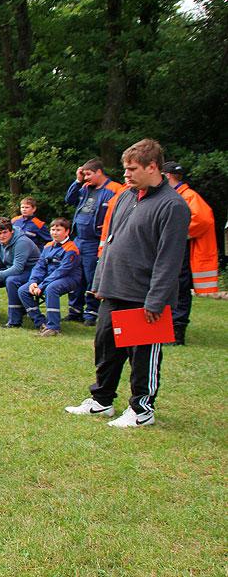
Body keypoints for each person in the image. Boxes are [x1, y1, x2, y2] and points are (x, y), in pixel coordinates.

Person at [66, 139, 190, 428]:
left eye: (132, 169)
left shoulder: (172, 206)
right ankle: (102, 401)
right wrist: (99, 281)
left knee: (141, 354)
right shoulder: (126, 196)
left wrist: (156, 301)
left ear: (153, 167)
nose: (126, 174)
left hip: (143, 295)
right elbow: (110, 241)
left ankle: (141, 410)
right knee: (105, 346)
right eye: (125, 169)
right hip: (114, 288)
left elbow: (169, 259)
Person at [162, 161, 219, 345]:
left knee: (179, 288)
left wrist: (176, 234)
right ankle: (169, 328)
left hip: (182, 251)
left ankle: (177, 332)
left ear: (167, 176)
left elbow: (203, 220)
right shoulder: (178, 195)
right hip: (174, 250)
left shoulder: (188, 196)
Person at [64, 158, 122, 326]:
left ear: (99, 172)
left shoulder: (114, 189)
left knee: (91, 276)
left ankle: (91, 313)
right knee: (76, 275)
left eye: (89, 174)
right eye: (84, 174)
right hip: (79, 239)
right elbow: (70, 199)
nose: (86, 177)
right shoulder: (85, 187)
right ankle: (74, 311)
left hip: (94, 240)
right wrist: (78, 180)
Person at [15, 217, 82, 336]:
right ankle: (41, 323)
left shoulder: (71, 249)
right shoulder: (48, 246)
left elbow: (62, 271)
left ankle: (53, 327)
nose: (54, 233)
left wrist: (42, 285)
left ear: (67, 232)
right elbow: (39, 266)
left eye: (58, 230)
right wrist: (33, 282)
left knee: (51, 288)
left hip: (68, 278)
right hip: (48, 278)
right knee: (23, 291)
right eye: (52, 229)